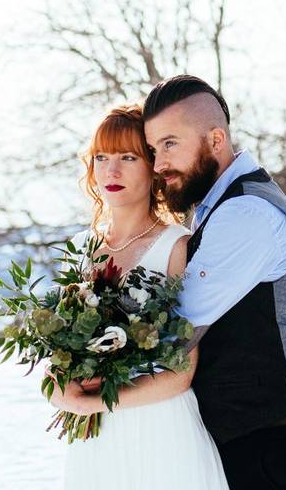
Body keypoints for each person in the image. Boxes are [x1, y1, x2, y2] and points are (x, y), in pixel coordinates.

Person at [55, 77, 286, 489]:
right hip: (248, 442)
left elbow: (175, 330)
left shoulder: (245, 214)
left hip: (276, 447)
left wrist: (87, 379)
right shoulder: (212, 207)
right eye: (152, 150)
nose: (159, 163)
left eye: (169, 144)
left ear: (216, 139)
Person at [54, 104, 230, 490]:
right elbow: (58, 355)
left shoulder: (176, 247)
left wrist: (92, 402)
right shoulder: (80, 249)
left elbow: (180, 374)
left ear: (152, 167)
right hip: (95, 442)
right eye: (101, 157)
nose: (111, 171)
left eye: (127, 157)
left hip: (161, 432)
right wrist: (59, 386)